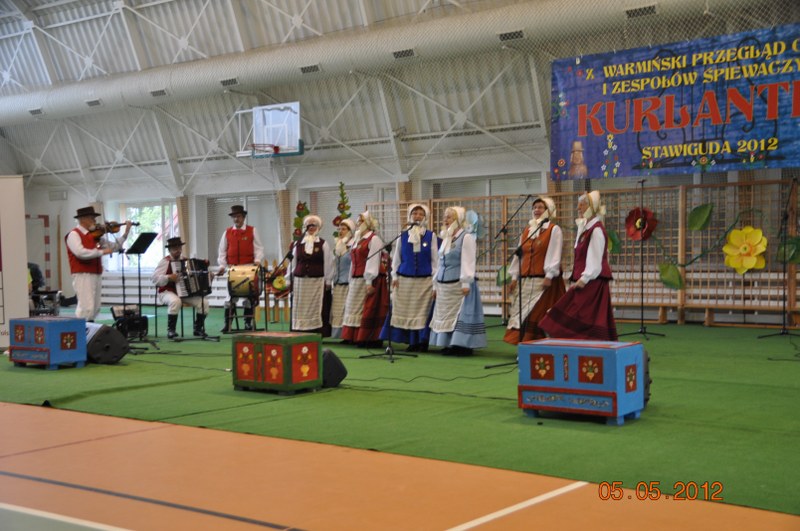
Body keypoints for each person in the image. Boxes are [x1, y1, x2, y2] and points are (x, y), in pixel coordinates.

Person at [540, 190, 618, 341]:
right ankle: (580, 341)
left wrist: (584, 278)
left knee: (580, 313)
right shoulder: (586, 228)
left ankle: (587, 342)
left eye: (581, 205)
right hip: (585, 280)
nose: (578, 208)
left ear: (591, 207)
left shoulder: (596, 230)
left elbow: (595, 259)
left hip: (592, 282)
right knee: (582, 314)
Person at [503, 197, 566, 344]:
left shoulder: (553, 229)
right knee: (522, 312)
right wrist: (514, 277)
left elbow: (554, 253)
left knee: (536, 313)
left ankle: (537, 344)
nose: (536, 210)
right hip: (526, 280)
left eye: (540, 207)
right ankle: (524, 344)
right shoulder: (528, 230)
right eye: (534, 207)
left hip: (543, 279)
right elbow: (519, 255)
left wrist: (549, 275)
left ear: (548, 210)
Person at [429, 206, 487, 355]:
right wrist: (435, 285)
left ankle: (462, 346)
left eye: (449, 217)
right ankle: (448, 344)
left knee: (460, 315)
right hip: (444, 284)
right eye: (445, 216)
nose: (445, 220)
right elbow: (440, 263)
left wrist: (466, 282)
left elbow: (468, 261)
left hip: (459, 284)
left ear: (458, 219)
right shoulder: (446, 237)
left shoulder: (466, 237)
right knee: (446, 315)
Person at [380, 203, 438, 351]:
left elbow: (435, 261)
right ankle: (411, 342)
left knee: (422, 312)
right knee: (406, 311)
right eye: (415, 213)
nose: (417, 216)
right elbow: (396, 258)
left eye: (421, 214)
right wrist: (394, 276)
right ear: (410, 216)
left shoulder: (431, 236)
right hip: (404, 279)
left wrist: (434, 282)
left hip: (424, 281)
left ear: (425, 217)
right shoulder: (402, 235)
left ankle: (422, 342)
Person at [65, 206, 131, 322]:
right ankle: (83, 329)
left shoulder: (95, 236)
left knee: (95, 306)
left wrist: (126, 233)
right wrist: (101, 252)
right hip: (83, 273)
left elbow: (114, 246)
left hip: (95, 273)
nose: (95, 221)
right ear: (83, 219)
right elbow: (80, 252)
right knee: (86, 306)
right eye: (92, 218)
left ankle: (90, 327)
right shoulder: (74, 234)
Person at [341, 211, 389, 347]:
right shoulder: (357, 239)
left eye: (361, 221)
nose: (358, 224)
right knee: (353, 307)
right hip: (356, 278)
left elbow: (373, 260)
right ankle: (353, 336)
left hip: (368, 279)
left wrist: (369, 281)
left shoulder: (374, 239)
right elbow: (353, 261)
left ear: (368, 223)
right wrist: (351, 278)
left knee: (366, 308)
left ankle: (368, 337)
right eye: (358, 221)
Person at [217, 204, 264, 332]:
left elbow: (259, 248)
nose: (236, 219)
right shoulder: (227, 232)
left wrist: (257, 260)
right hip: (232, 269)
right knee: (230, 297)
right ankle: (228, 324)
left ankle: (248, 323)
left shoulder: (252, 230)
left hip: (248, 268)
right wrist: (222, 265)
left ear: (243, 217)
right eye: (234, 217)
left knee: (249, 296)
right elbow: (222, 251)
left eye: (238, 216)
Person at [151, 237, 211, 339]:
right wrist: (168, 277)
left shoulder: (186, 261)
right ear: (169, 250)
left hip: (184, 292)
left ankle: (198, 329)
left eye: (179, 248)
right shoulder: (165, 261)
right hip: (166, 291)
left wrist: (205, 268)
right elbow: (154, 279)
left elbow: (196, 274)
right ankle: (171, 330)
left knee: (204, 303)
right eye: (175, 249)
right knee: (175, 301)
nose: (178, 251)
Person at [289, 214, 333, 335]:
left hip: (316, 280)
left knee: (315, 305)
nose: (311, 227)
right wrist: (288, 279)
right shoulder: (297, 244)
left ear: (318, 227)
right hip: (300, 280)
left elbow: (328, 263)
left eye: (314, 225)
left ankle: (315, 329)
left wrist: (328, 280)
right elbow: (293, 263)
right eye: (309, 225)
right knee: (301, 305)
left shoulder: (323, 244)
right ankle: (299, 328)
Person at [330, 218, 355, 339]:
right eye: (339, 229)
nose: (340, 231)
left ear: (350, 231)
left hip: (349, 282)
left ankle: (348, 335)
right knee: (338, 310)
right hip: (338, 282)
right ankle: (339, 335)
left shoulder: (354, 245)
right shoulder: (339, 244)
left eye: (344, 229)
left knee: (348, 309)